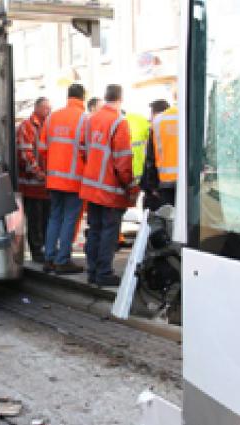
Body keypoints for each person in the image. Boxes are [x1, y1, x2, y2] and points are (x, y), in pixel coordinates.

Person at [79, 84, 137, 286]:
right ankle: (104, 273)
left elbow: (83, 150)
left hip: (91, 187)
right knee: (109, 232)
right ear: (120, 99)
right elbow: (123, 161)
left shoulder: (91, 119)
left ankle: (92, 271)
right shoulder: (119, 122)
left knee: (94, 230)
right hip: (110, 189)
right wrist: (130, 186)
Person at [40, 83, 88, 274]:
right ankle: (62, 260)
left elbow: (42, 148)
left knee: (54, 218)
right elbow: (87, 151)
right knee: (69, 219)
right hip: (74, 180)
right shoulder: (84, 119)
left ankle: (49, 258)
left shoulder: (52, 117)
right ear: (83, 98)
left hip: (54, 179)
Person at [16, 97, 51, 263]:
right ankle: (37, 251)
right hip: (32, 185)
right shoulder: (27, 126)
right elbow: (25, 154)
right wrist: (39, 173)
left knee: (45, 220)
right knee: (35, 221)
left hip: (45, 185)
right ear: (36, 108)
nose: (48, 111)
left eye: (49, 108)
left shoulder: (47, 126)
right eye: (45, 108)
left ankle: (44, 249)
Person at [141, 99, 175, 211]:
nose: (150, 117)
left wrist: (152, 187)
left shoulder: (157, 125)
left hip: (163, 185)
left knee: (163, 216)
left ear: (156, 113)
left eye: (151, 113)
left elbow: (151, 159)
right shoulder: (181, 122)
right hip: (183, 183)